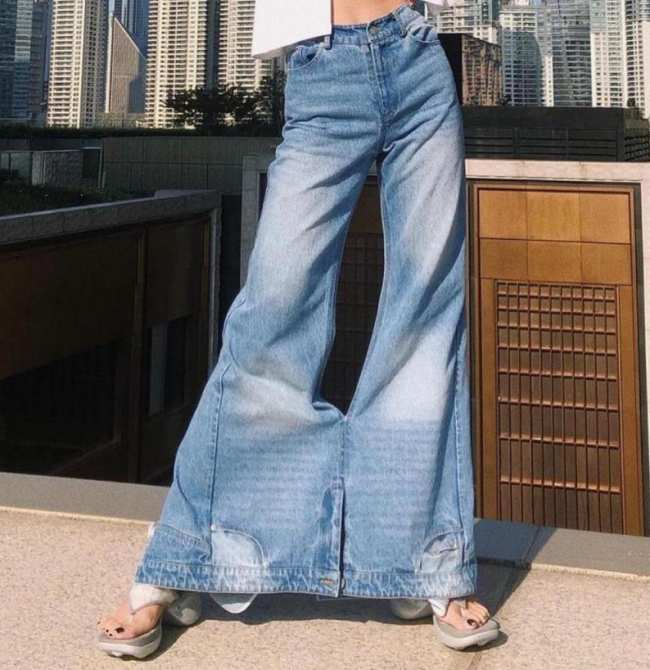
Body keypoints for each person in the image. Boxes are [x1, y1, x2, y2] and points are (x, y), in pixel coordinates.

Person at [96, 0, 501, 658]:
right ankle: (179, 557)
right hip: (324, 67)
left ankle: (424, 562)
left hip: (420, 60)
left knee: (427, 315)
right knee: (273, 311)